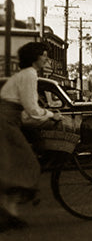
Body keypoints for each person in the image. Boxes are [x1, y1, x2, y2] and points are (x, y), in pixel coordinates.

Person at [0, 42, 65, 230]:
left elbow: (27, 111)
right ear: (35, 58)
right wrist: (53, 115)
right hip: (5, 123)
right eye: (44, 55)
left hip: (8, 121)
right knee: (26, 163)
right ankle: (8, 213)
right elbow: (32, 109)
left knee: (10, 166)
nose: (46, 58)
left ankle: (10, 213)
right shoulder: (29, 74)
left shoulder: (24, 74)